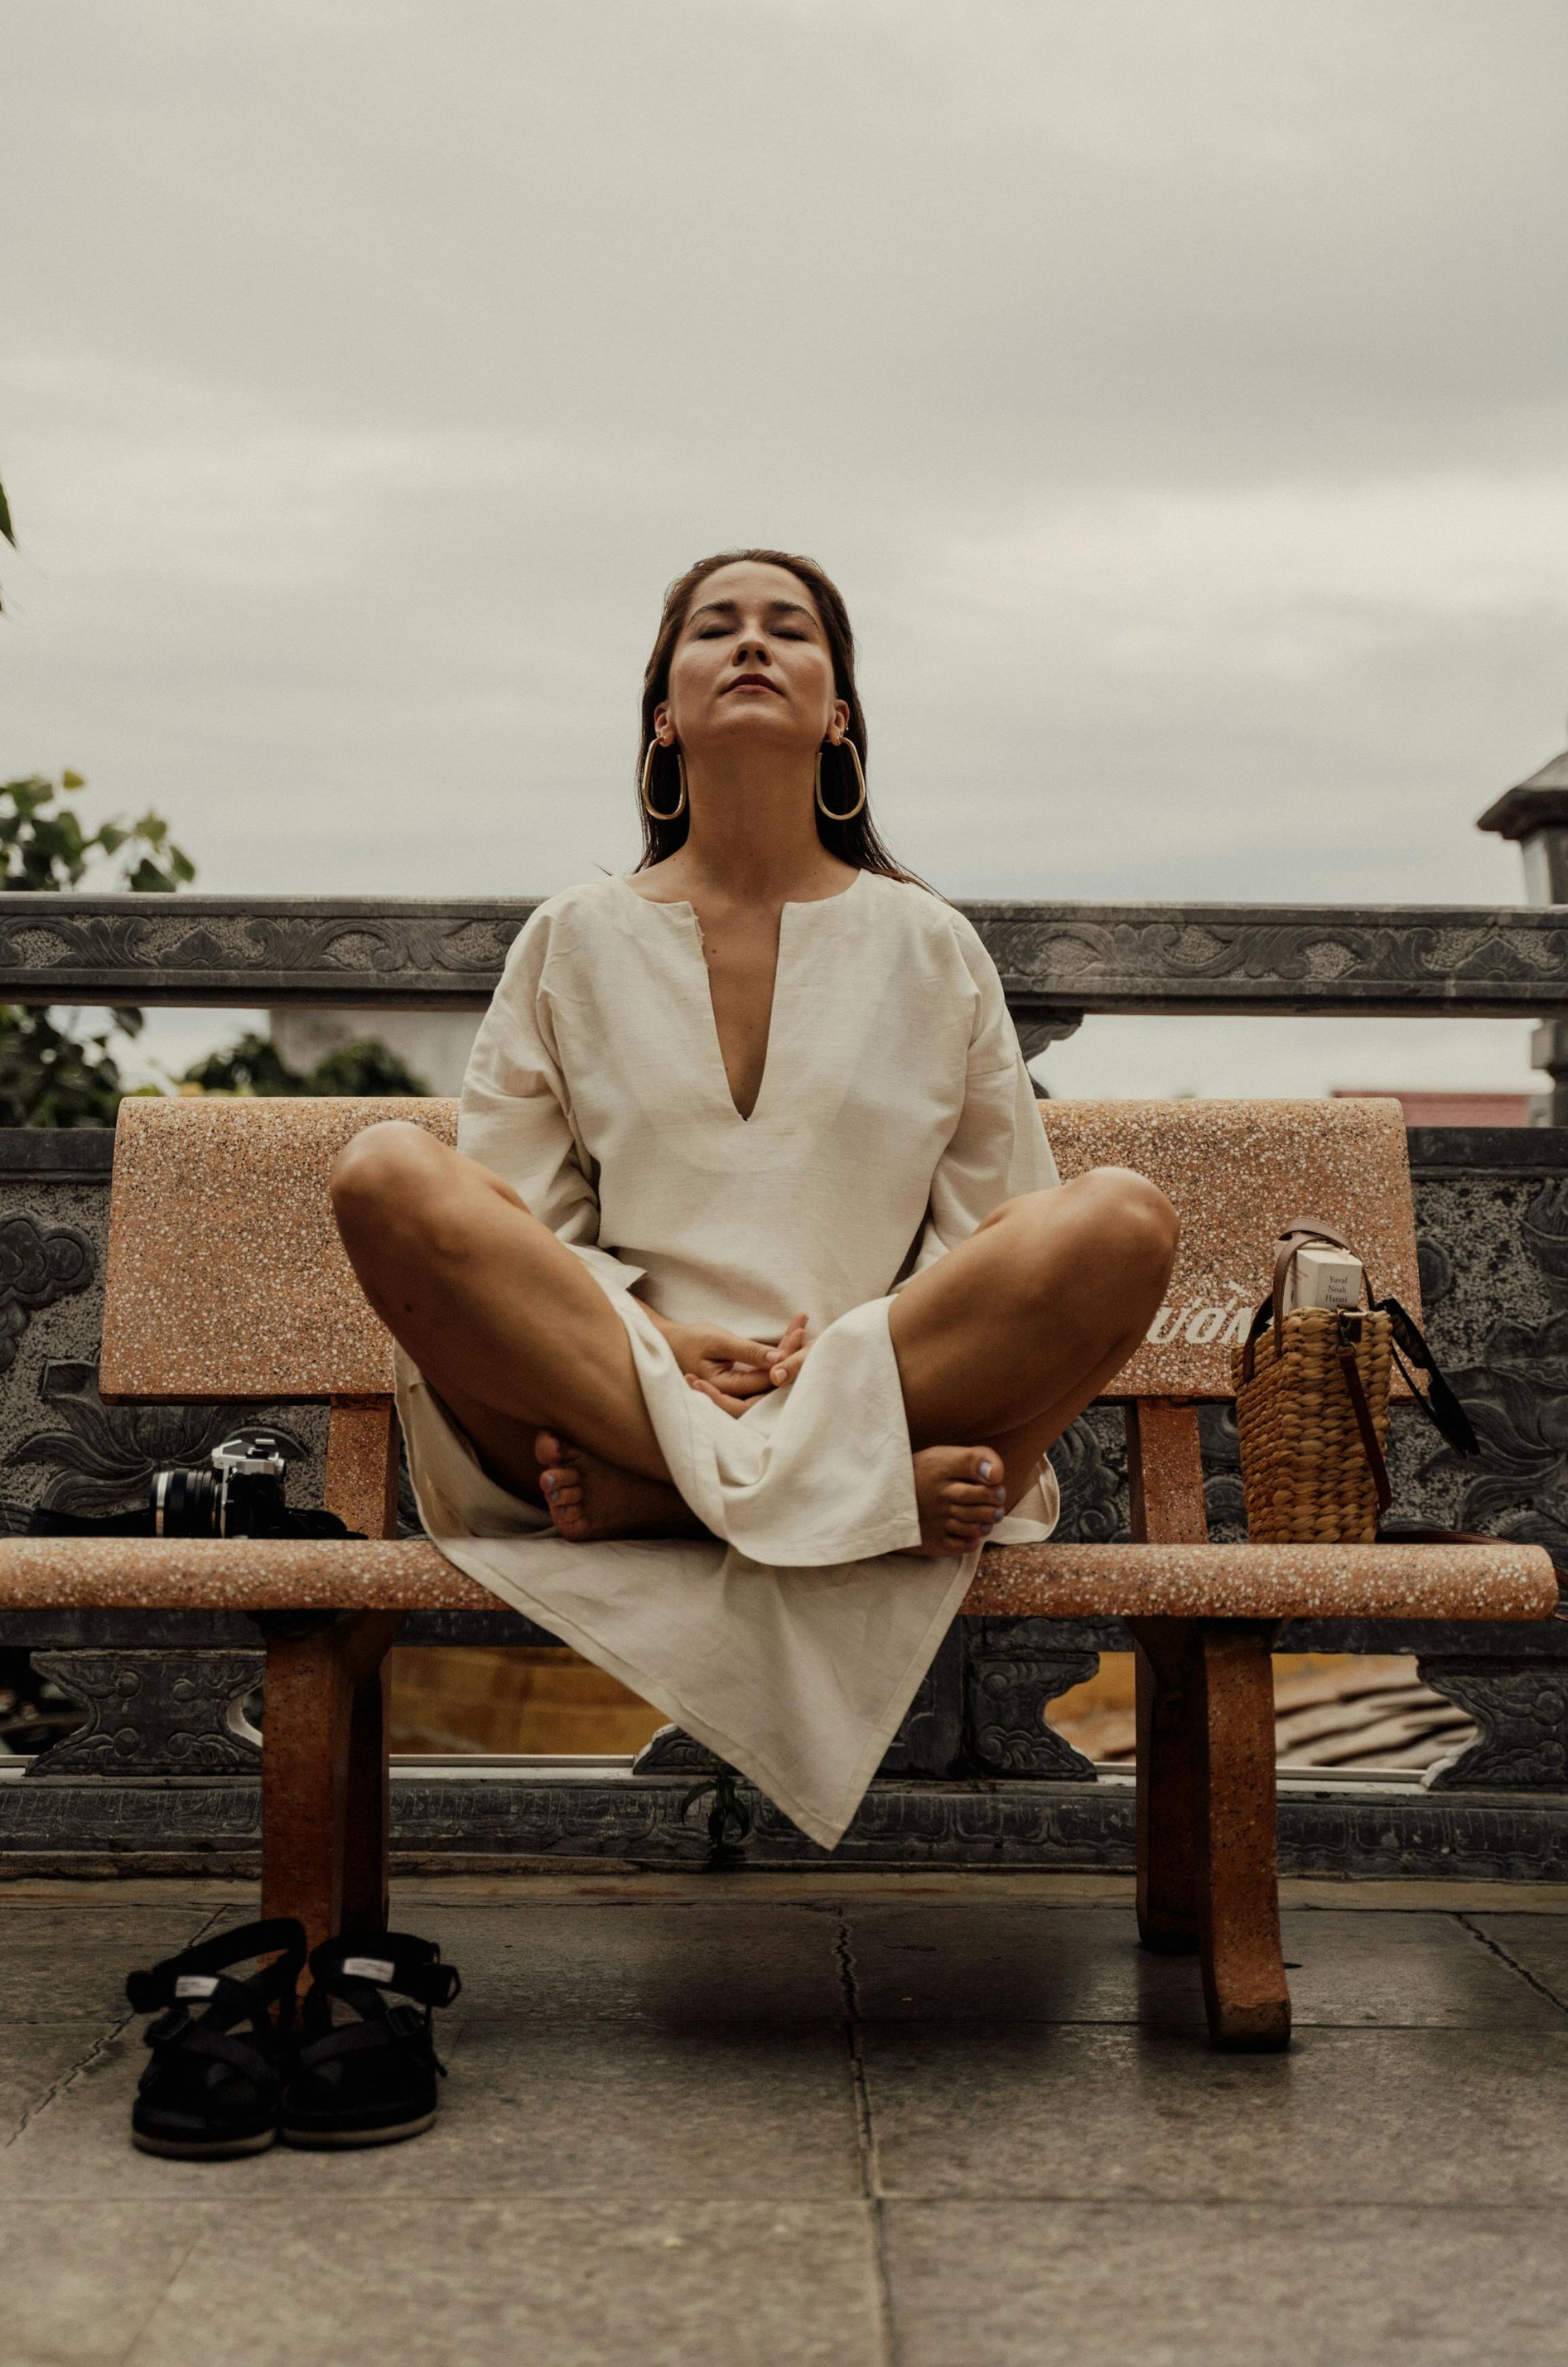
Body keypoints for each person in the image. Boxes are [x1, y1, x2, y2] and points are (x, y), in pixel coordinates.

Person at [330, 549, 1178, 1845]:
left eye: (789, 629)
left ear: (838, 713)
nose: (751, 644)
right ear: (663, 711)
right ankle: (821, 1501)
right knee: (384, 1171)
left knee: (1122, 1220)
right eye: (714, 627)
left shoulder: (927, 944)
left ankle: (706, 1498)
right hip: (597, 1415)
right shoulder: (574, 937)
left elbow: (988, 1232)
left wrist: (836, 1368)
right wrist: (654, 1341)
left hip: (866, 1392)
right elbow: (512, 1223)